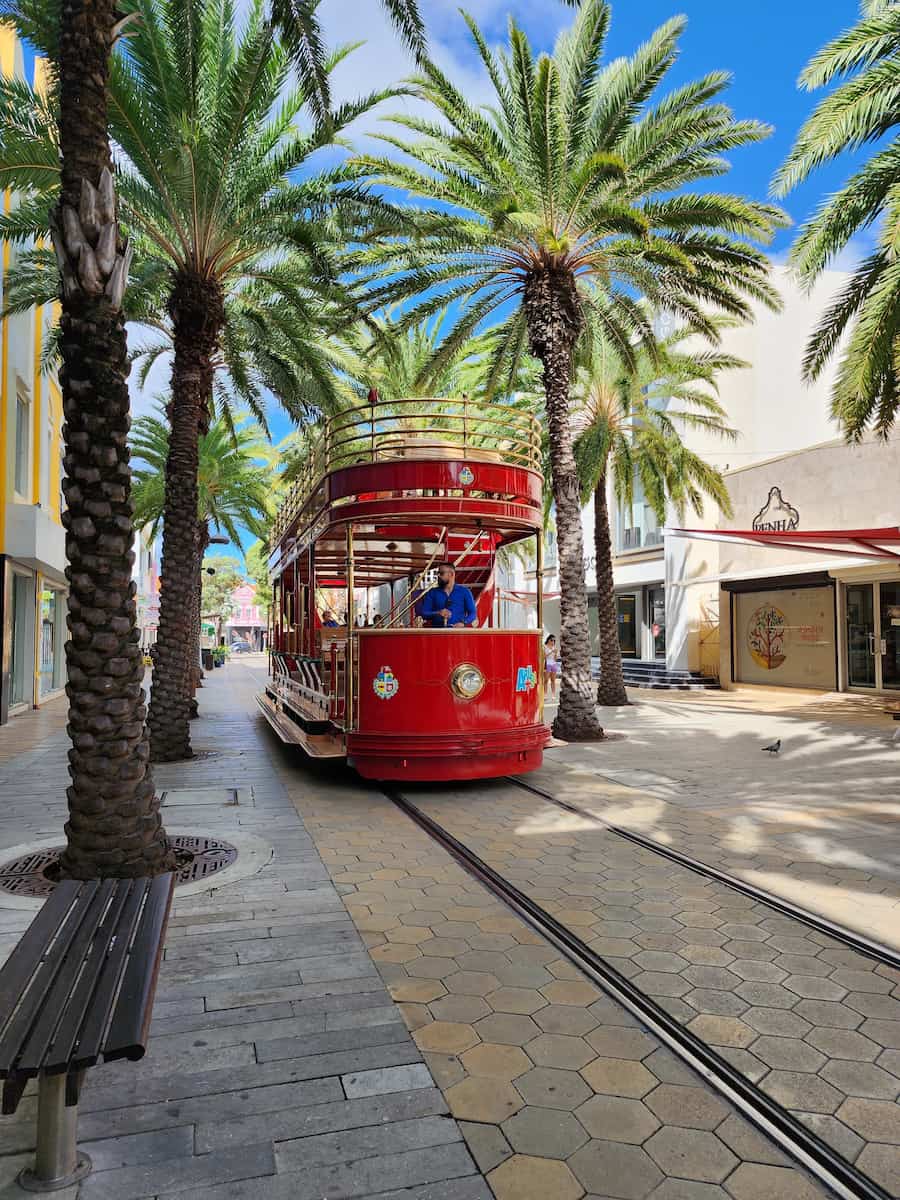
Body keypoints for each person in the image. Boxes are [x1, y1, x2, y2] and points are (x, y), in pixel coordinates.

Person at [421, 562, 476, 628]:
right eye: (437, 573)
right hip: (437, 633)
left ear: (451, 574)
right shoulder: (432, 592)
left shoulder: (465, 592)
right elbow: (424, 613)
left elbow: (473, 613)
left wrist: (463, 623)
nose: (438, 576)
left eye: (441, 573)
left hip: (458, 633)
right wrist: (438, 613)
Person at [544, 634, 560, 700]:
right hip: (547, 663)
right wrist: (551, 652)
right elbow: (544, 656)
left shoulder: (554, 647)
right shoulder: (545, 647)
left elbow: (555, 659)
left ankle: (553, 695)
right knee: (546, 680)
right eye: (552, 640)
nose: (553, 642)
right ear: (548, 640)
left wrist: (556, 653)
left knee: (553, 680)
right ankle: (545, 694)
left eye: (554, 640)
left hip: (553, 664)